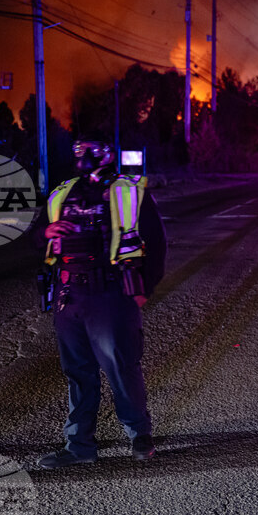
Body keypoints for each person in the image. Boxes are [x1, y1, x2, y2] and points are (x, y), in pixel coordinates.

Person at [35, 136, 166, 469]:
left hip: (111, 293)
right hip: (70, 294)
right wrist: (47, 233)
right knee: (78, 373)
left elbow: (156, 242)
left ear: (107, 154)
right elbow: (41, 235)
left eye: (90, 151)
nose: (83, 157)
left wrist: (142, 289)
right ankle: (79, 445)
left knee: (121, 368)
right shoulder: (63, 192)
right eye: (78, 151)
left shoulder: (129, 190)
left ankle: (140, 436)